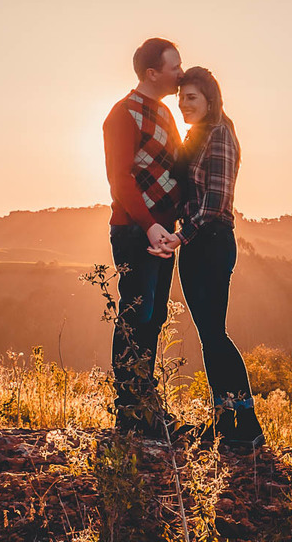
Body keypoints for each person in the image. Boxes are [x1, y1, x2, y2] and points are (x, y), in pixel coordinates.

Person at [151, 66, 264, 448]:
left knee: (215, 334)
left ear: (210, 99)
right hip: (195, 243)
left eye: (192, 97)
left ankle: (247, 425)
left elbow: (215, 204)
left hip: (212, 242)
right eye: (181, 97)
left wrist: (179, 236)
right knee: (208, 335)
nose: (184, 104)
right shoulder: (196, 136)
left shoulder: (220, 135)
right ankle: (225, 420)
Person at [102, 37, 188, 438]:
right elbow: (120, 179)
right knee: (136, 316)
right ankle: (130, 412)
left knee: (152, 319)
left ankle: (147, 409)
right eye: (174, 67)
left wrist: (172, 229)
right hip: (136, 231)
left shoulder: (166, 114)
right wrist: (150, 224)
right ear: (152, 73)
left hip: (161, 234)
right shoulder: (123, 114)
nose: (180, 73)